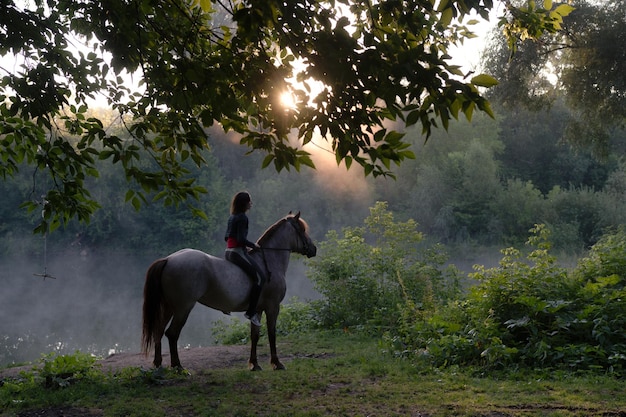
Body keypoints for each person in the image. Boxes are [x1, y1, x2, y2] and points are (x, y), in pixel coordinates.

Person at [224, 191, 266, 327]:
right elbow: (241, 239)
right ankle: (251, 312)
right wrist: (254, 245)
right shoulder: (242, 218)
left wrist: (243, 247)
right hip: (237, 253)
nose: (251, 204)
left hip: (228, 252)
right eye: (249, 201)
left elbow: (227, 237)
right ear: (244, 203)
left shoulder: (232, 217)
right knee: (260, 278)